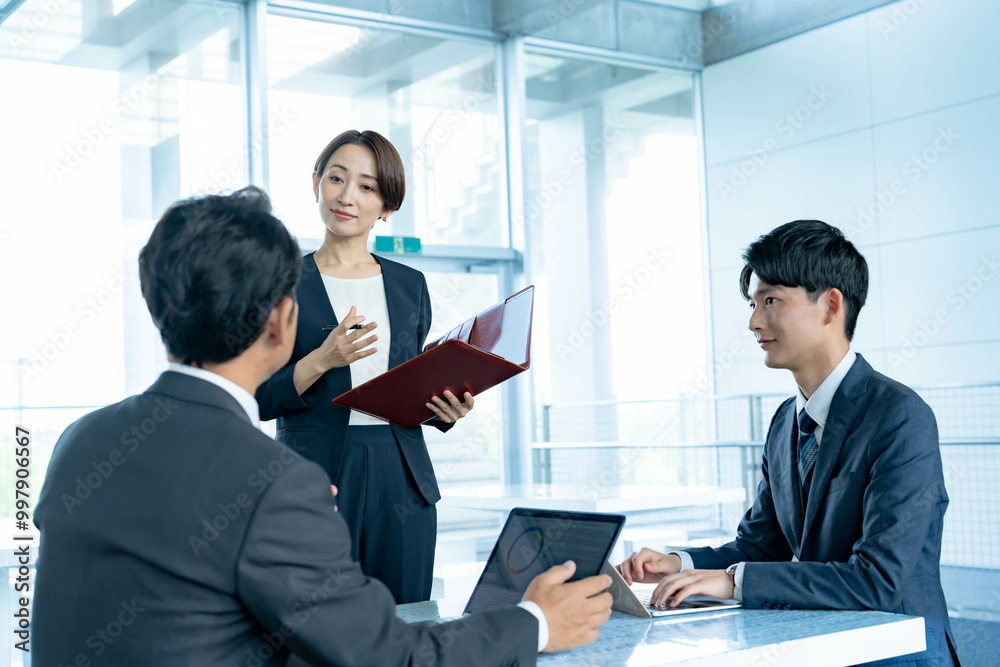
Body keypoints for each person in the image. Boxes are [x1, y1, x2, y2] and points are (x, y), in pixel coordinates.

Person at [32, 186, 613, 666]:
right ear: (282, 321)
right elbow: (385, 656)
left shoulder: (81, 440)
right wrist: (535, 622)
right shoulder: (271, 482)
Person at [619, 220, 959, 667]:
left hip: (897, 654)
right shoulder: (785, 421)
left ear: (830, 306)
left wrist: (734, 582)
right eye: (753, 303)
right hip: (825, 645)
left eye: (771, 301)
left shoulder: (899, 416)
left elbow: (877, 580)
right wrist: (679, 563)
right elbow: (761, 547)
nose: (753, 322)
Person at [255, 130, 473, 604]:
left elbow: (409, 385)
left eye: (367, 187)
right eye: (336, 178)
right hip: (316, 474)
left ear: (387, 206)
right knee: (313, 618)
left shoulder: (409, 285)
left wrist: (445, 409)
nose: (346, 196)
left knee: (407, 616)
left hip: (402, 475)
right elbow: (260, 398)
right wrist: (322, 360)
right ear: (316, 183)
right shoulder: (278, 283)